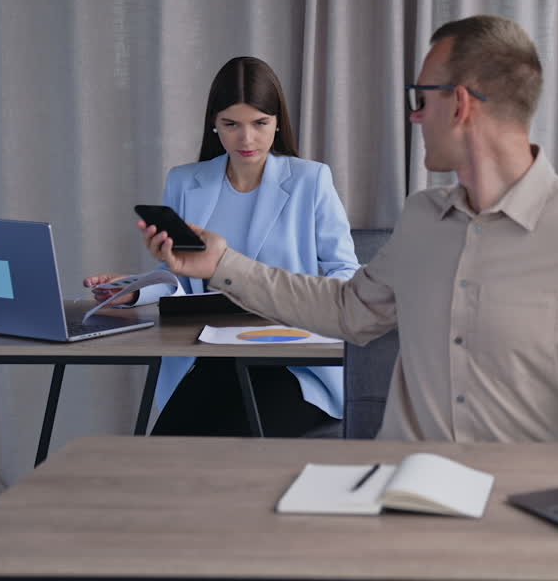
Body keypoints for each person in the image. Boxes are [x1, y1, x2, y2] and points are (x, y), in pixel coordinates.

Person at [136, 14, 558, 443]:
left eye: (420, 99)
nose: (413, 116)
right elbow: (349, 309)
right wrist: (221, 266)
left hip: (518, 515)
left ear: (463, 105)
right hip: (399, 495)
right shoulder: (424, 219)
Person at [84, 56, 360, 437]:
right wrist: (132, 291)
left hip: (293, 365)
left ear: (278, 122)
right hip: (211, 358)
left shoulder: (310, 181)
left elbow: (345, 275)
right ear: (214, 124)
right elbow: (178, 277)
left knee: (230, 437)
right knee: (165, 448)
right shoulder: (185, 182)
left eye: (260, 123)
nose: (246, 139)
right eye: (231, 124)